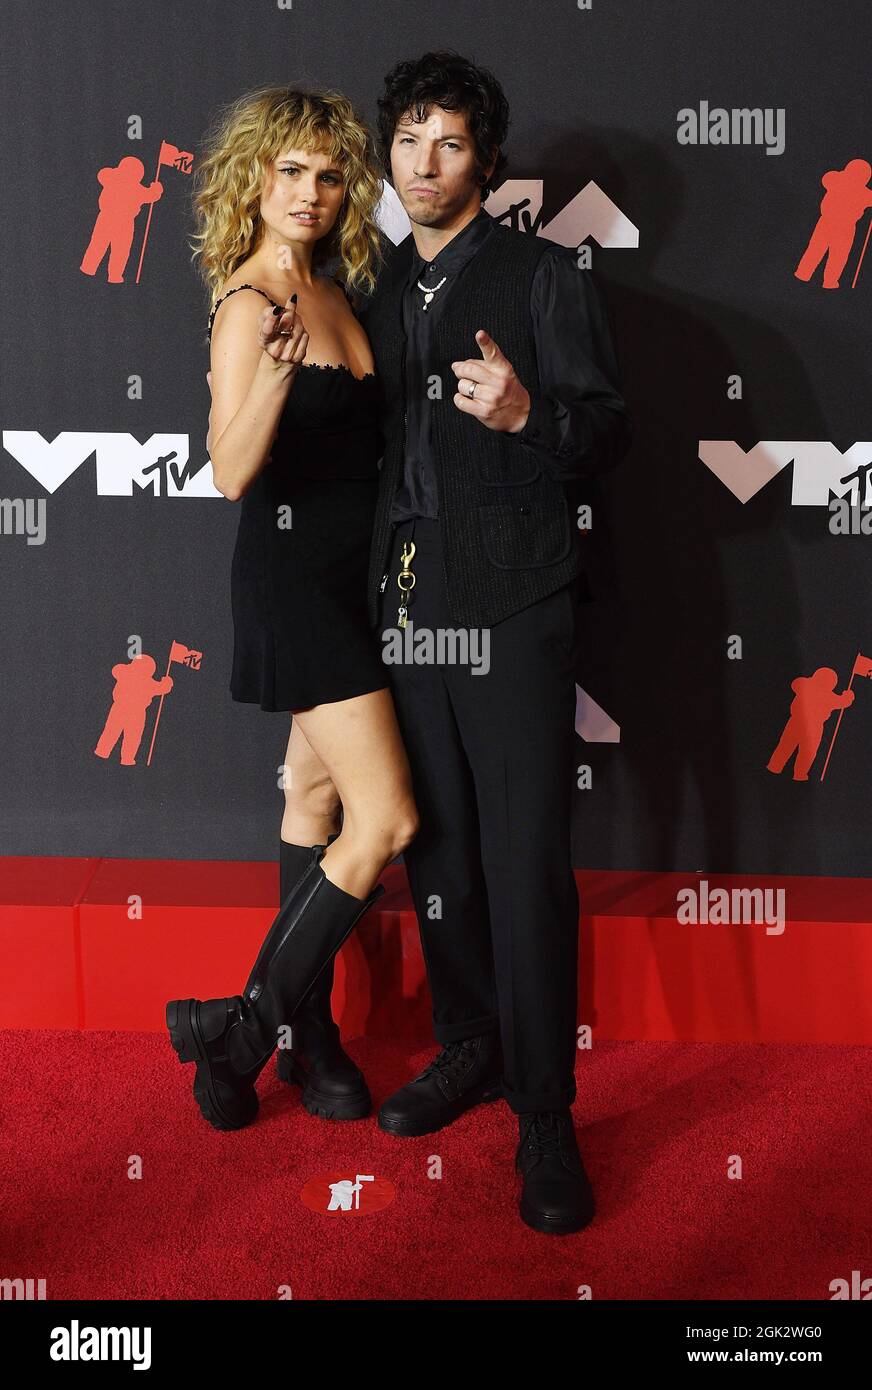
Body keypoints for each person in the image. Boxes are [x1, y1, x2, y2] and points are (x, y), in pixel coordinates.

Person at [359, 51, 633, 1233]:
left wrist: (530, 416)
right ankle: (465, 1046)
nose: (426, 162)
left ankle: (544, 1111)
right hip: (404, 607)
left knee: (525, 867)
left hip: (515, 604)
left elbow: (607, 432)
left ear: (485, 161)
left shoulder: (540, 273)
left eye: (450, 142)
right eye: (409, 138)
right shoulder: (361, 284)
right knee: (444, 861)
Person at [165, 85, 419, 1132]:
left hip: (354, 583)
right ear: (253, 182)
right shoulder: (248, 304)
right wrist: (268, 381)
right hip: (293, 587)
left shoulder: (336, 291)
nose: (310, 193)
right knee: (388, 818)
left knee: (311, 806)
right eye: (290, 173)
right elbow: (227, 469)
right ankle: (246, 1025)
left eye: (327, 175)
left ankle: (308, 1035)